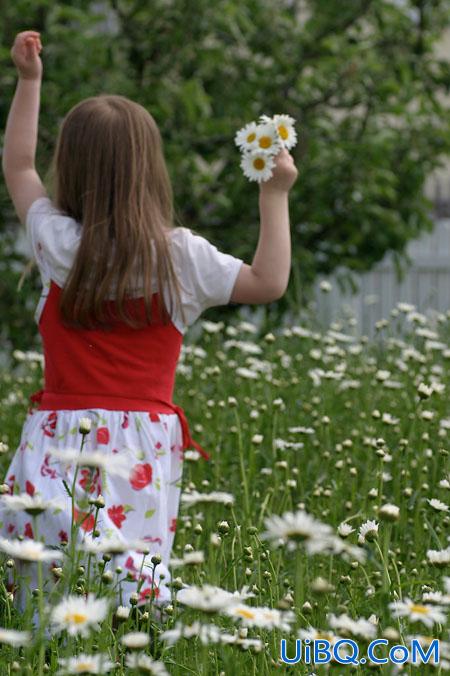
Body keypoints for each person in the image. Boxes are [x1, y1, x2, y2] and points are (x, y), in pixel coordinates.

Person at [1, 30, 298, 622]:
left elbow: (17, 162)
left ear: (73, 165)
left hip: (60, 436)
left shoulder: (58, 242)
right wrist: (275, 194)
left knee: (41, 590)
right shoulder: (181, 257)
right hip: (143, 447)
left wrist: (29, 81)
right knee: (133, 584)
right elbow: (269, 282)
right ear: (149, 168)